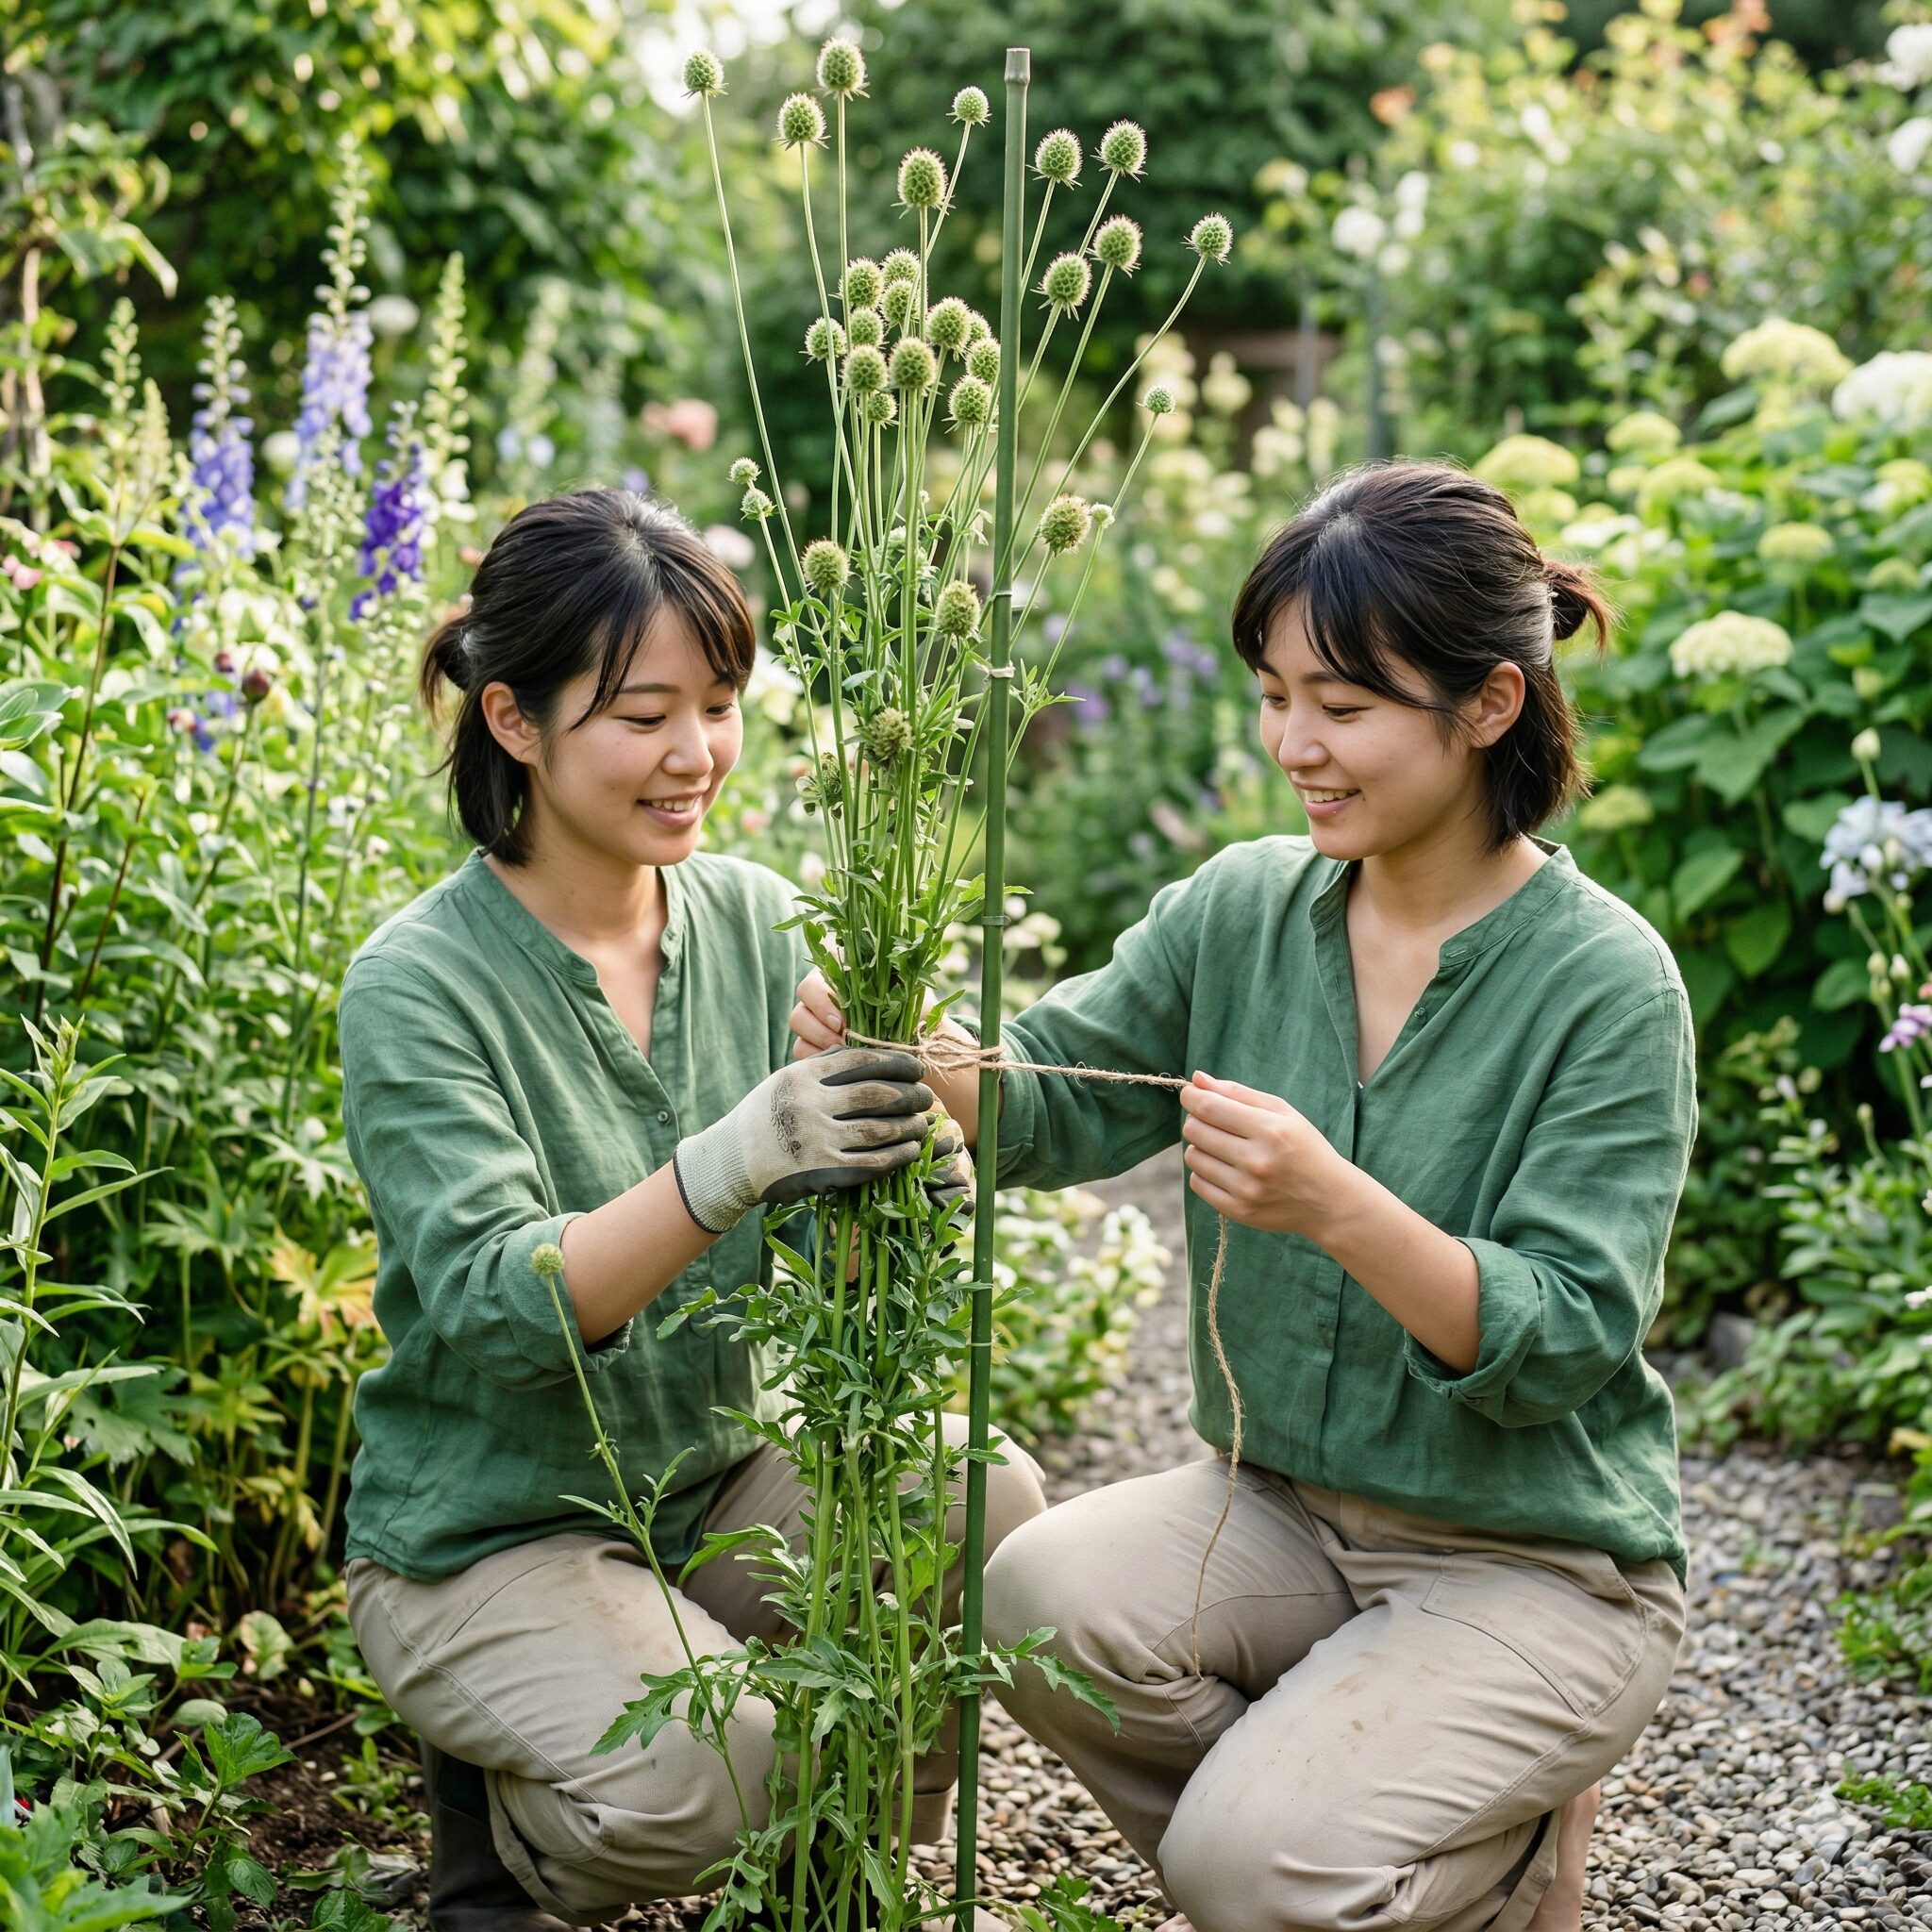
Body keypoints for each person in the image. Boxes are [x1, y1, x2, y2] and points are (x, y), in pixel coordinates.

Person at [791, 461, 1693, 1932]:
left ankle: (1452, 1841)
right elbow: (1052, 1098)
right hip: (1277, 1512)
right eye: (1275, 697)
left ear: (1490, 704)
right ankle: (1386, 1829)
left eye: (1342, 706)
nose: (1294, 746)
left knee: (1244, 1865)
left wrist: (1340, 1205)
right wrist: (918, 1052)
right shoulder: (1244, 906)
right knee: (1035, 1601)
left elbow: (1569, 1335)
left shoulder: (1607, 983)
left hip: (1530, 1559)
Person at [337, 488, 1046, 1929]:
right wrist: (729, 1161)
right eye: (643, 715)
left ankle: (844, 1874)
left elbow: (833, 1245)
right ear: (513, 720)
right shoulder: (418, 984)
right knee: (713, 1772)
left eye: (718, 707)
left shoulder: (755, 920)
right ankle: (505, 1846)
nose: (696, 755)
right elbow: (501, 1311)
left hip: (710, 1486)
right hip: (491, 1532)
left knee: (984, 1499)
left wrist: (910, 1155)